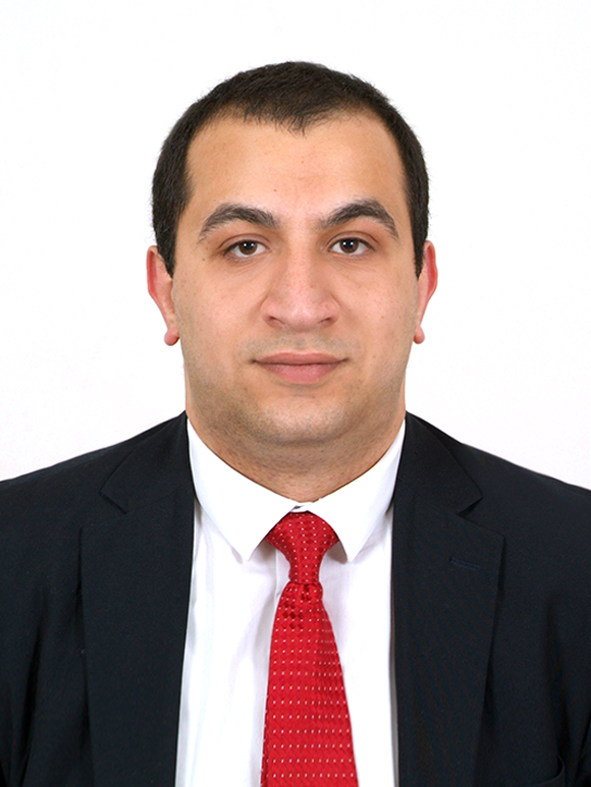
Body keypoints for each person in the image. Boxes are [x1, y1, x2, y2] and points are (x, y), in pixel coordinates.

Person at [0, 61, 590, 787]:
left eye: (350, 243)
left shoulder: (576, 566)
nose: (302, 304)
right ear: (167, 291)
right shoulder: (13, 562)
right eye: (244, 245)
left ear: (421, 286)